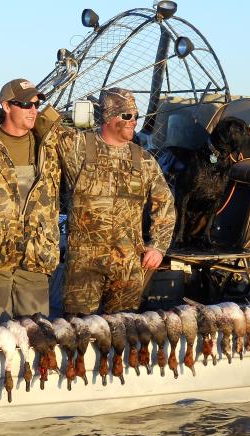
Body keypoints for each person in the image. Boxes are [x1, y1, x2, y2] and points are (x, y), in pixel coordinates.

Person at [56, 88, 175, 314]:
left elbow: (165, 204)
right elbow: (38, 124)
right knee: (79, 328)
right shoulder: (77, 147)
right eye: (127, 116)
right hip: (83, 266)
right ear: (109, 117)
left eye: (136, 116)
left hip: (127, 265)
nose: (134, 121)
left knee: (124, 328)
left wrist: (158, 247)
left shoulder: (144, 160)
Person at [0, 79, 62, 322]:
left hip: (35, 253)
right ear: (7, 106)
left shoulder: (48, 140)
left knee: (37, 328)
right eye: (26, 104)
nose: (33, 110)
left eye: (36, 104)